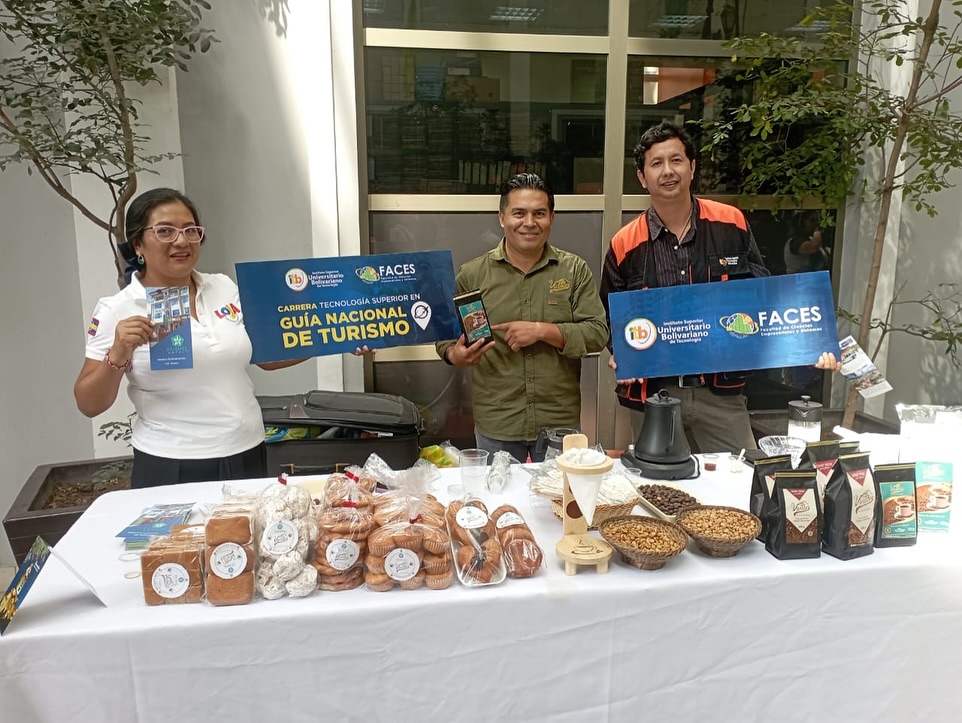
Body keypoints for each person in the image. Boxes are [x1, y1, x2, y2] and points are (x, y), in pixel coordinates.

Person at [601, 121, 838, 454]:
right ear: (642, 177)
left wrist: (806, 342)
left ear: (692, 167)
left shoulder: (730, 223)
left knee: (739, 485)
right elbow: (609, 317)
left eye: (676, 160)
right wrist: (621, 353)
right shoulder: (625, 242)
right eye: (656, 164)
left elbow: (762, 297)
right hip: (655, 396)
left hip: (721, 395)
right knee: (659, 490)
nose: (668, 171)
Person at [74, 188, 317, 488]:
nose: (181, 240)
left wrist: (332, 339)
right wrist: (119, 351)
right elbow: (89, 404)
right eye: (165, 231)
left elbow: (264, 358)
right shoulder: (118, 308)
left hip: (245, 451)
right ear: (138, 244)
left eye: (191, 230)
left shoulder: (223, 287)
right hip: (170, 462)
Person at [436, 173, 609, 462]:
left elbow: (597, 334)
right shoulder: (473, 275)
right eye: (519, 213)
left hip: (559, 421)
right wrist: (456, 355)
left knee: (563, 501)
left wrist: (543, 330)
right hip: (498, 421)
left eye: (539, 213)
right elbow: (445, 339)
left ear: (552, 217)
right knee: (499, 501)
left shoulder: (573, 270)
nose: (529, 222)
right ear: (502, 217)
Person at [784, 210, 831, 274]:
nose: (816, 224)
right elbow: (814, 247)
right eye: (812, 221)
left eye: (817, 221)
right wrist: (817, 231)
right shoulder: (795, 242)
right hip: (799, 281)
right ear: (802, 223)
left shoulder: (812, 240)